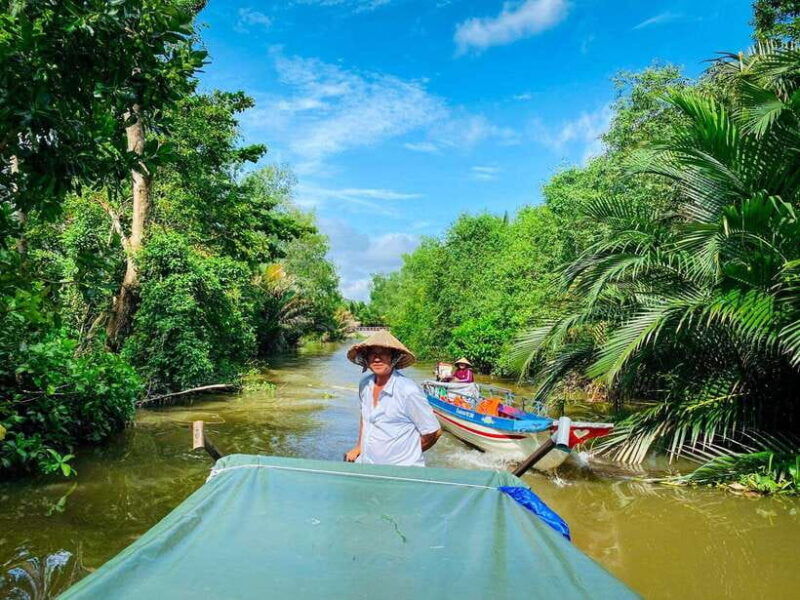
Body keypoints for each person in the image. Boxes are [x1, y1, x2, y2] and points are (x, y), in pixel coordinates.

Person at [344, 330, 442, 467]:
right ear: (366, 358)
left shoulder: (408, 391)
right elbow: (365, 418)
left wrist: (406, 456)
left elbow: (433, 432)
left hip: (400, 472)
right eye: (373, 353)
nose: (377, 359)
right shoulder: (365, 385)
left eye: (383, 353)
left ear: (394, 358)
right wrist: (359, 447)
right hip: (367, 465)